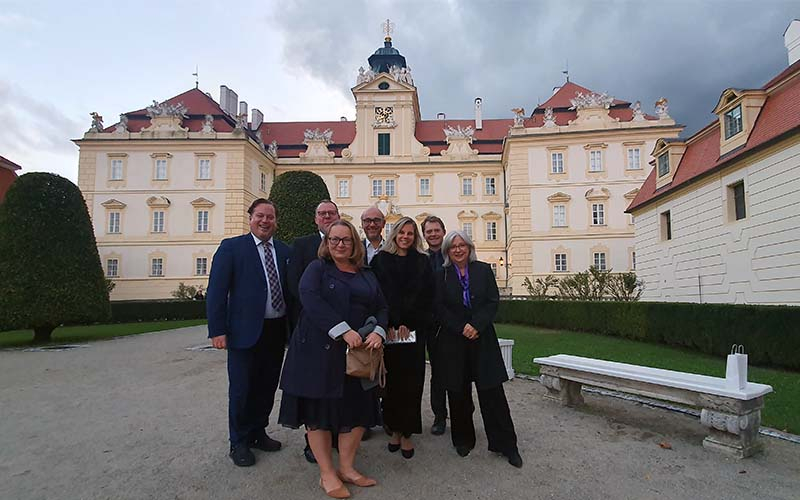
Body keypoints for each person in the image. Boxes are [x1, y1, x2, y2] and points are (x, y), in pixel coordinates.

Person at [279, 220, 387, 499]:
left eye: (346, 240)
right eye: (334, 240)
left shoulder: (366, 273)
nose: (340, 244)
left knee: (357, 410)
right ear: (326, 244)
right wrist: (343, 330)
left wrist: (378, 330)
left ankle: (348, 468)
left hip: (359, 354)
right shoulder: (317, 269)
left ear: (354, 244)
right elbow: (310, 299)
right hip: (318, 351)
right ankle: (327, 473)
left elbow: (382, 306)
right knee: (319, 414)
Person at [206, 199, 291, 467]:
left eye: (270, 217)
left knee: (266, 387)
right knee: (242, 389)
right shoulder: (232, 248)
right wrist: (217, 330)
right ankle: (238, 442)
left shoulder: (284, 250)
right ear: (250, 218)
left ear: (276, 221)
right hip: (244, 331)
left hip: (276, 330)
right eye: (260, 216)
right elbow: (216, 292)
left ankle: (258, 432)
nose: (265, 221)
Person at [434, 230, 522, 468]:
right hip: (454, 339)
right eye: (453, 247)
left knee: (492, 392)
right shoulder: (440, 275)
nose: (458, 250)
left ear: (470, 247)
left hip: (482, 338)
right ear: (447, 251)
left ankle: (506, 444)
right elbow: (439, 308)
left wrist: (476, 325)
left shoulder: (483, 270)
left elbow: (492, 301)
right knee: (458, 392)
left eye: (462, 245)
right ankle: (463, 440)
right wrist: (461, 326)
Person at [370, 216, 434, 459]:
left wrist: (409, 322)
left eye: (410, 233)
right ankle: (393, 429)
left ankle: (407, 433)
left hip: (413, 333)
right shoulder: (381, 261)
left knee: (412, 384)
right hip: (387, 332)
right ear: (394, 234)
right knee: (391, 384)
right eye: (402, 233)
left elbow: (427, 298)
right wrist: (388, 323)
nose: (405, 237)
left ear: (414, 236)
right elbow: (377, 296)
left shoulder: (422, 262)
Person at [421, 215, 448, 435]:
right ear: (424, 235)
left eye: (436, 230)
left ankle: (461, 411)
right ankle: (440, 416)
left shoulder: (454, 254)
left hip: (453, 323)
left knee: (459, 370)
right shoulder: (422, 259)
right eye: (429, 231)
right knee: (438, 372)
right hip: (431, 324)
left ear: (443, 231)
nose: (433, 234)